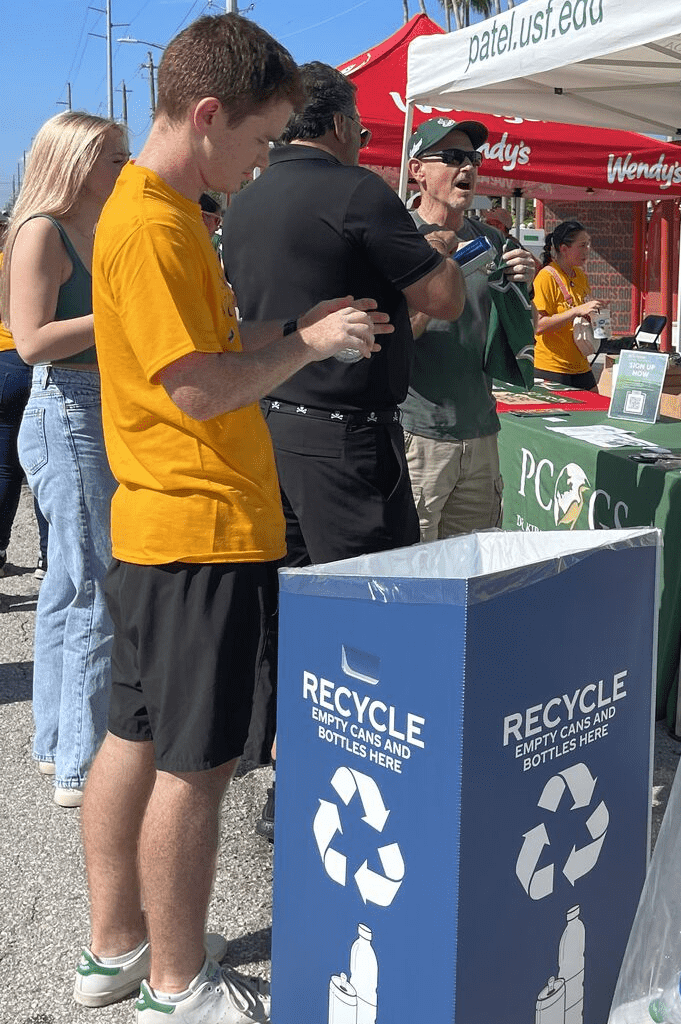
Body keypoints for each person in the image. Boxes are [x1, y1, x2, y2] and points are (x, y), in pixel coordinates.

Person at [81, 15, 393, 1022]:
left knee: (134, 738)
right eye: (259, 142)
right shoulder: (157, 224)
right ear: (209, 116)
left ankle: (118, 947)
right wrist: (304, 349)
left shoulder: (156, 206)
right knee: (198, 765)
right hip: (199, 532)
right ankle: (175, 985)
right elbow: (204, 388)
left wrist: (300, 330)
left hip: (161, 530)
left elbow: (213, 344)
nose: (262, 164)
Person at [219, 63, 465, 841]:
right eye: (359, 122)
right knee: (372, 616)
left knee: (289, 611)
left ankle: (291, 775)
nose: (365, 135)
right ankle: (377, 792)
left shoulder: (247, 197)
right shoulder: (359, 191)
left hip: (272, 428)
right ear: (333, 122)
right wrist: (441, 250)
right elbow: (444, 298)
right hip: (344, 440)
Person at [0, 112, 128, 807]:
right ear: (76, 162)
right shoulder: (43, 228)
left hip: (93, 403)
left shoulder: (92, 227)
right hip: (68, 407)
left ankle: (57, 744)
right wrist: (122, 314)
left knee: (69, 585)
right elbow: (30, 341)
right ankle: (82, 762)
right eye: (113, 157)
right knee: (89, 585)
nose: (123, 169)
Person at [401, 116, 537, 540]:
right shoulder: (396, 237)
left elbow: (525, 329)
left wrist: (523, 292)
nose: (468, 168)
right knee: (410, 570)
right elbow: (393, 336)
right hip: (418, 435)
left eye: (474, 158)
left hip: (481, 433)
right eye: (453, 157)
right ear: (417, 170)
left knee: (471, 572)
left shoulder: (492, 241)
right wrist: (445, 280)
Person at [0, 222, 50, 582]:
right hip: (26, 362)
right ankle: (48, 557)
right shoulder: (36, 257)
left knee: (4, 469)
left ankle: (0, 552)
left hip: (1, 363)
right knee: (44, 464)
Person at [532, 219, 603, 391]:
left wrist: (594, 312)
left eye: (588, 245)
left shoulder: (579, 275)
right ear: (564, 249)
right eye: (582, 245)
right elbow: (538, 325)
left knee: (595, 412)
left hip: (581, 363)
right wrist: (576, 311)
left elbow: (581, 308)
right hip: (551, 368)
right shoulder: (546, 277)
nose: (587, 250)